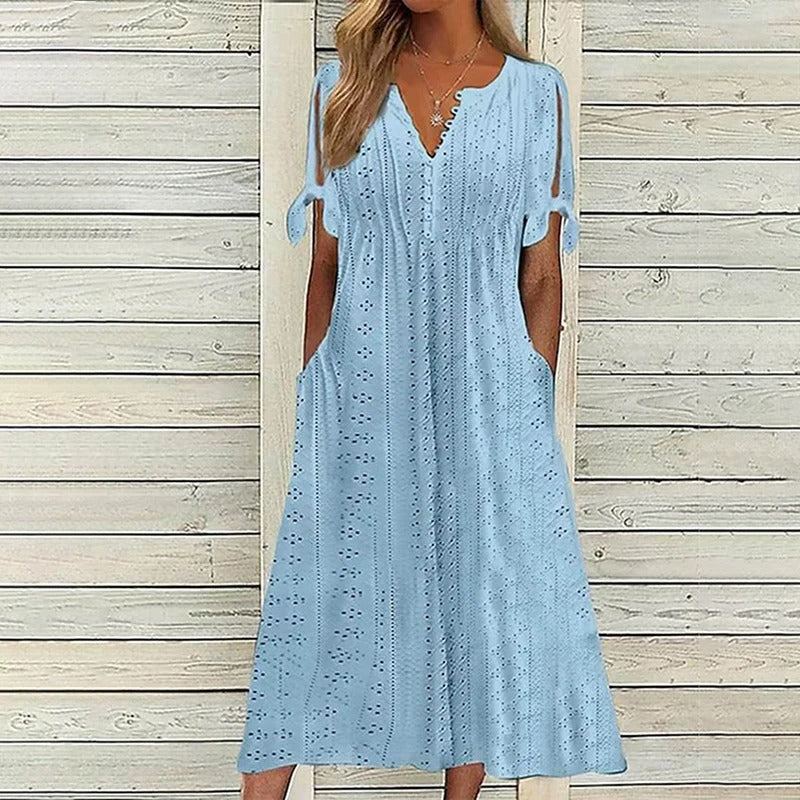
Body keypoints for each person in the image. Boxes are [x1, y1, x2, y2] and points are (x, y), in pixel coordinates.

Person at [238, 1, 627, 798]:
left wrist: (526, 399)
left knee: (476, 598)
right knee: (317, 596)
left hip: (494, 393)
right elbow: (325, 264)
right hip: (360, 386)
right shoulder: (342, 89)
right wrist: (319, 383)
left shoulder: (536, 97)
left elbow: (542, 274)